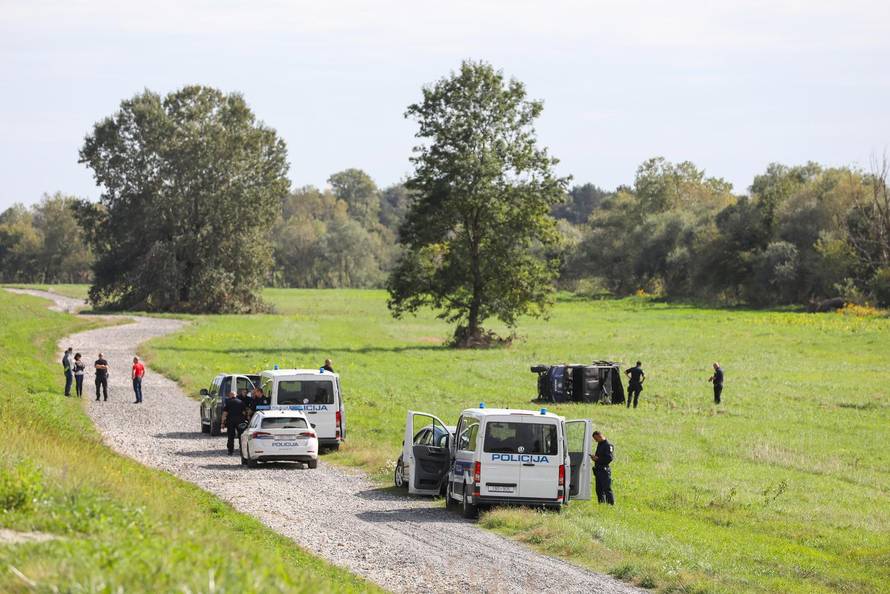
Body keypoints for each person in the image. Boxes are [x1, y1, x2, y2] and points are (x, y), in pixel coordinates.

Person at [591, 431, 615, 505]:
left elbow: (609, 458)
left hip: (604, 471)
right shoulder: (600, 444)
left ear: (599, 436)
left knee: (607, 489)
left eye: (596, 438)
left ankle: (611, 504)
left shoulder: (608, 445)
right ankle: (601, 504)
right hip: (598, 470)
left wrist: (597, 459)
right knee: (599, 490)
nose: (595, 440)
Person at [220, 391, 247, 455]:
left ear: (230, 396)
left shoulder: (228, 402)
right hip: (240, 421)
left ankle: (230, 451)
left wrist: (222, 423)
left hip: (231, 421)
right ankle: (242, 451)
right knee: (241, 436)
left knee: (231, 436)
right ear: (236, 395)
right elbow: (244, 412)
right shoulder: (241, 402)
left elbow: (224, 414)